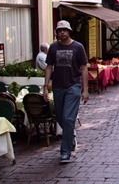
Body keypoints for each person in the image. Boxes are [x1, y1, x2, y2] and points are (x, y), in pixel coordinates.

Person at [43, 20, 89, 164]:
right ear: (57, 32)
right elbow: (49, 67)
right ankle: (71, 135)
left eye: (64, 30)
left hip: (73, 86)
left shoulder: (78, 47)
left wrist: (85, 89)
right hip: (58, 87)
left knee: (69, 119)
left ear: (69, 31)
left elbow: (84, 68)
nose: (62, 32)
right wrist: (45, 86)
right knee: (61, 117)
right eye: (59, 30)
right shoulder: (53, 48)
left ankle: (65, 152)